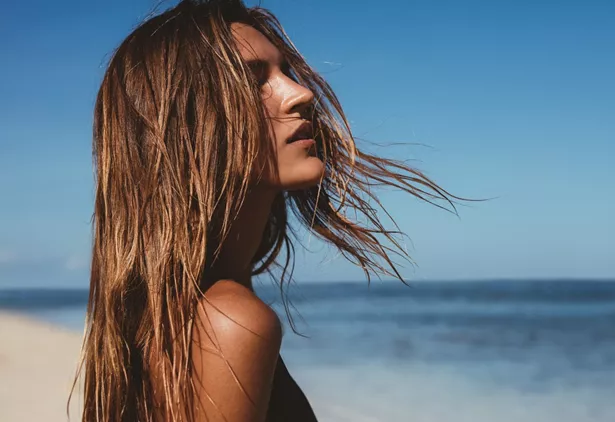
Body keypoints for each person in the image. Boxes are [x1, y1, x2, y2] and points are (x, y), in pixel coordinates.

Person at [75, 1, 457, 421]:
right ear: (186, 123)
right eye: (255, 80)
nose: (301, 93)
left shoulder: (170, 315)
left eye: (285, 73)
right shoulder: (229, 322)